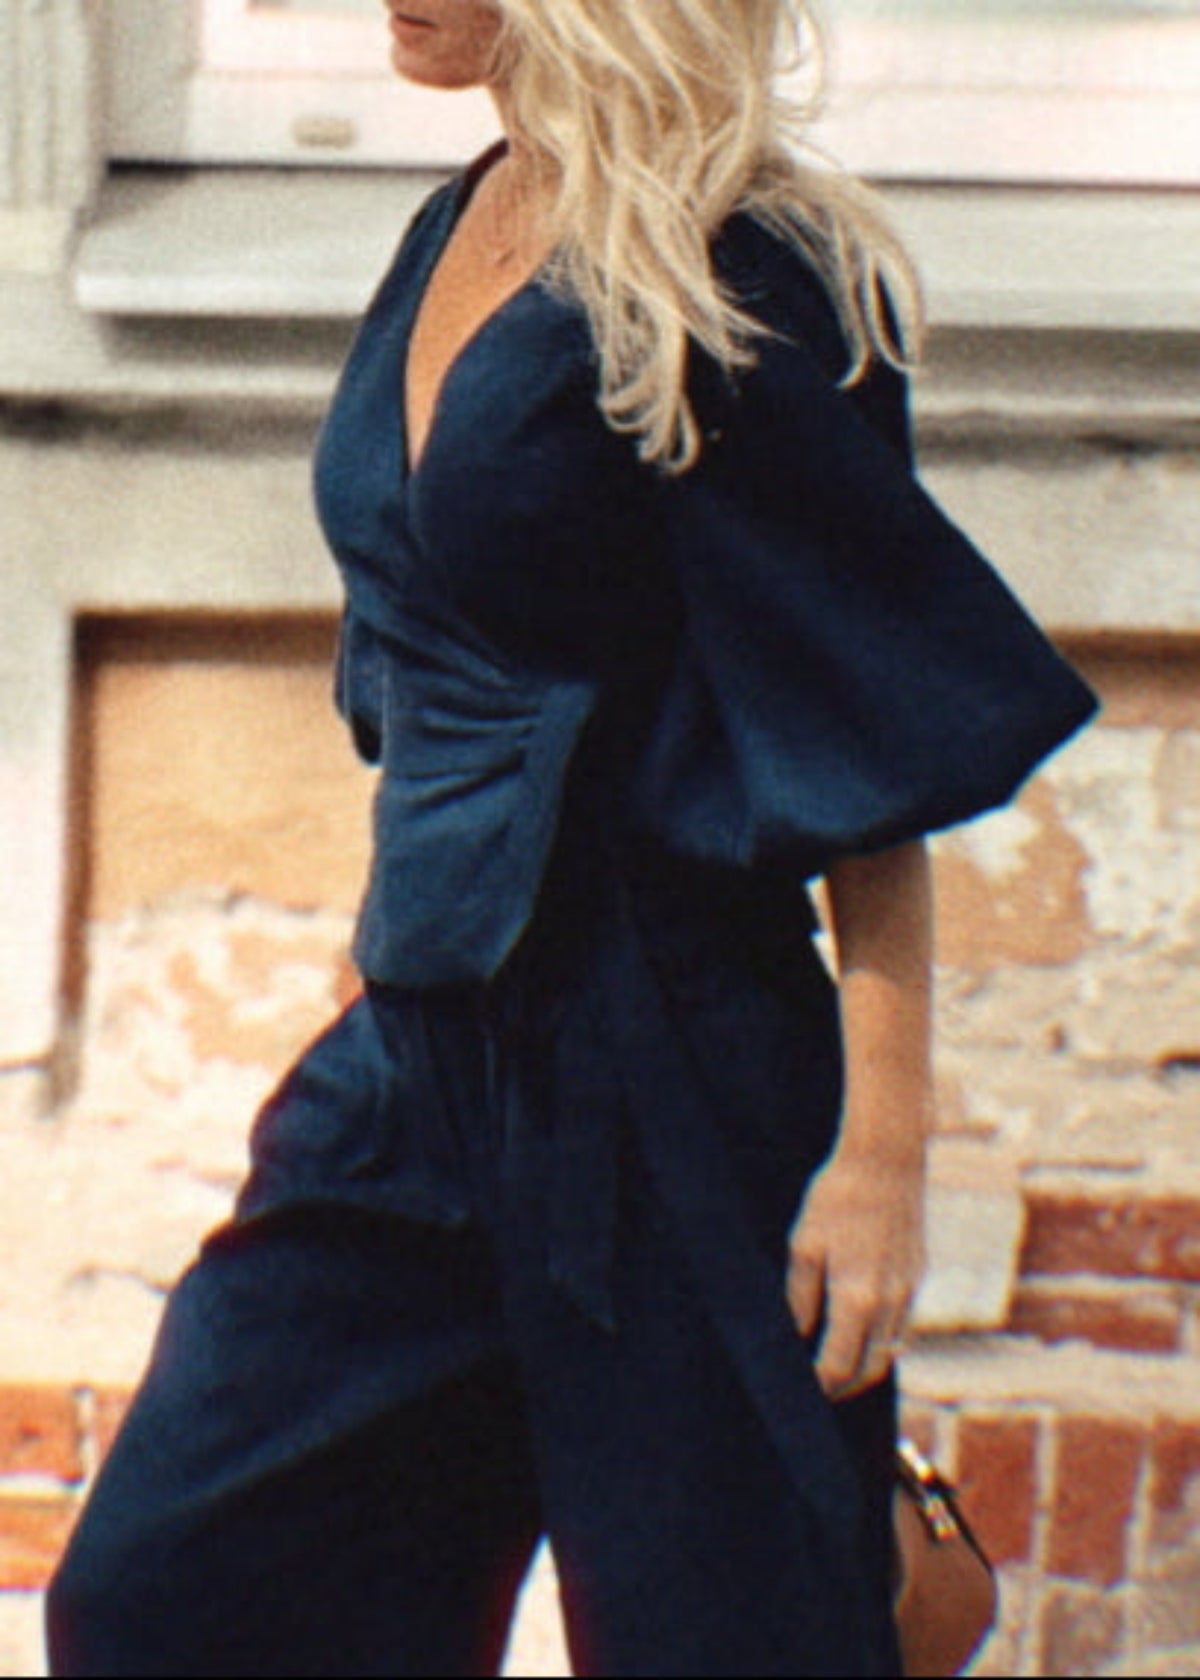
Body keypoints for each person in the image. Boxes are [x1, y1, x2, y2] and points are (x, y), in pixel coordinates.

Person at [46, 2, 1097, 1676]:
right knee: (178, 1594)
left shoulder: (740, 274)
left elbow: (854, 718)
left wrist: (886, 1149)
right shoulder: (461, 215)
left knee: (721, 1642)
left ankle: (861, 1565)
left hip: (669, 1076)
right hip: (416, 1067)